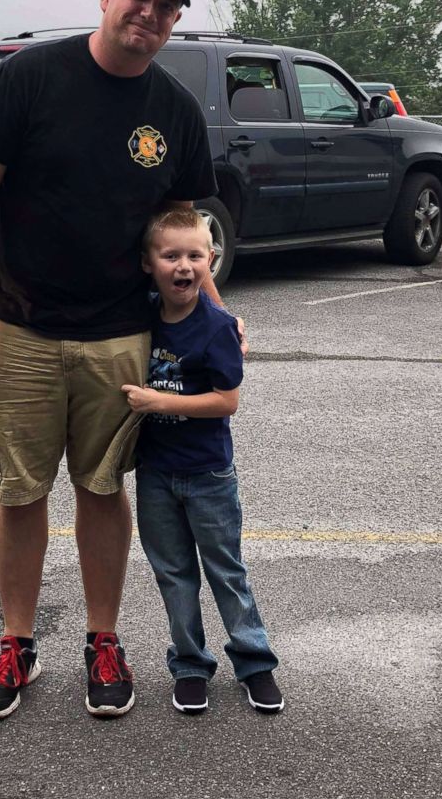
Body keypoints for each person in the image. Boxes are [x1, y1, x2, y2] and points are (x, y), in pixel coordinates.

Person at [0, 0, 242, 721]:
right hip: (19, 330)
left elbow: (183, 232)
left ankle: (102, 641)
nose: (149, 12)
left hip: (120, 338)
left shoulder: (172, 110)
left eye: (167, 5)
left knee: (104, 489)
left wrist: (212, 317)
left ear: (176, 22)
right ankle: (15, 644)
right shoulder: (30, 78)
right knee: (20, 490)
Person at [122, 207, 283, 715]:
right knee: (173, 574)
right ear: (148, 263)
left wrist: (159, 402)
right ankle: (190, 664)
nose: (184, 266)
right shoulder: (142, 316)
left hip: (208, 473)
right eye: (170, 255)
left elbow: (226, 400)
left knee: (225, 571)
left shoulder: (215, 328)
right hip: (155, 475)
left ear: (210, 260)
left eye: (195, 255)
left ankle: (255, 663)